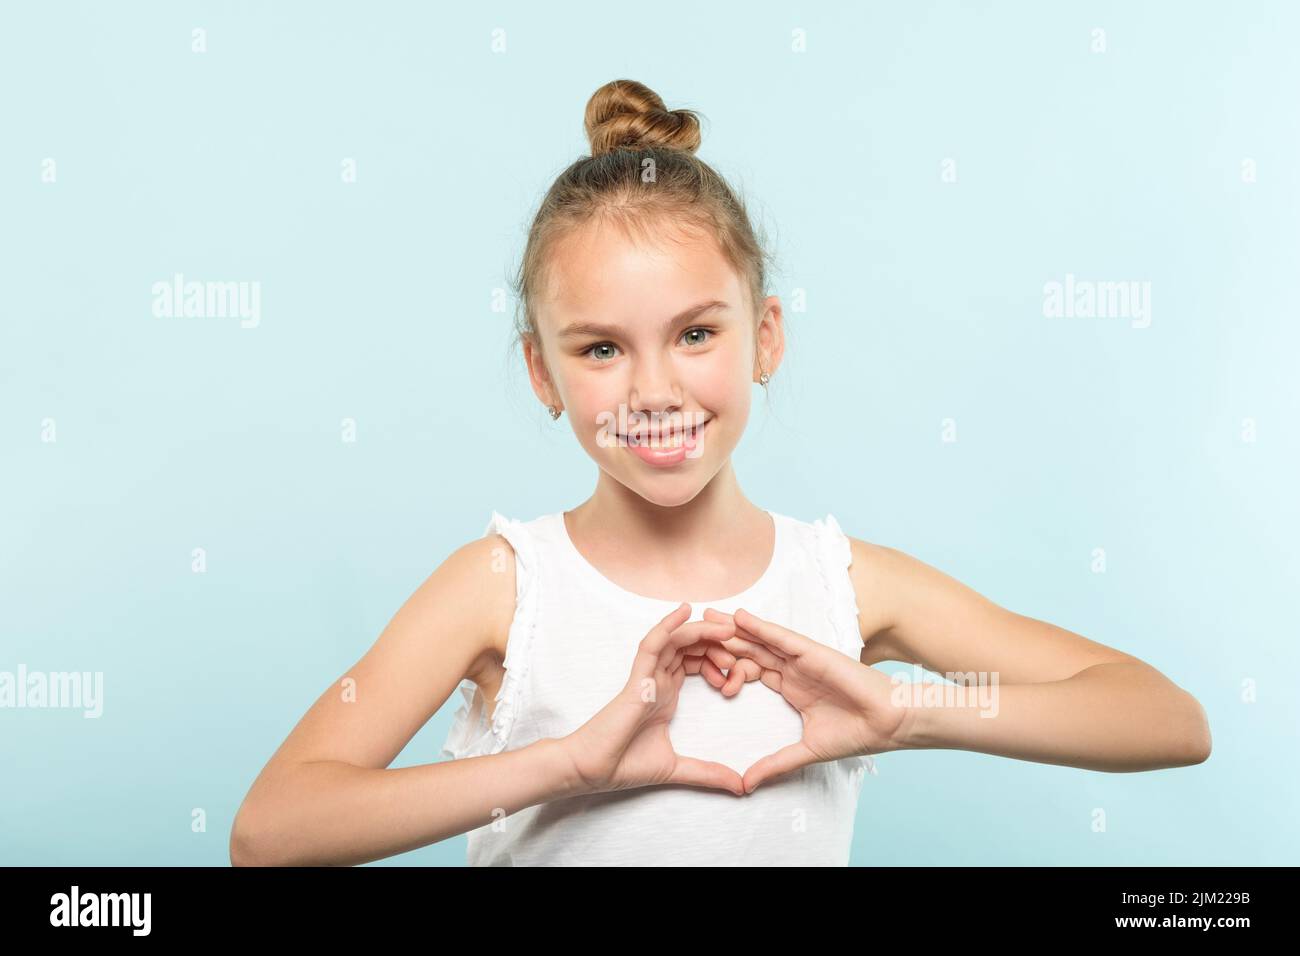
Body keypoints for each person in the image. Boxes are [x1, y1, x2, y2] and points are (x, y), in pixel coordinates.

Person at [229, 79, 1212, 867]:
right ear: (541, 370)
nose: (655, 387)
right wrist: (562, 764)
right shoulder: (501, 586)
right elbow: (270, 830)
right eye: (600, 348)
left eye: (696, 333)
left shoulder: (848, 585)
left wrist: (908, 709)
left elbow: (1162, 717)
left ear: (765, 337)